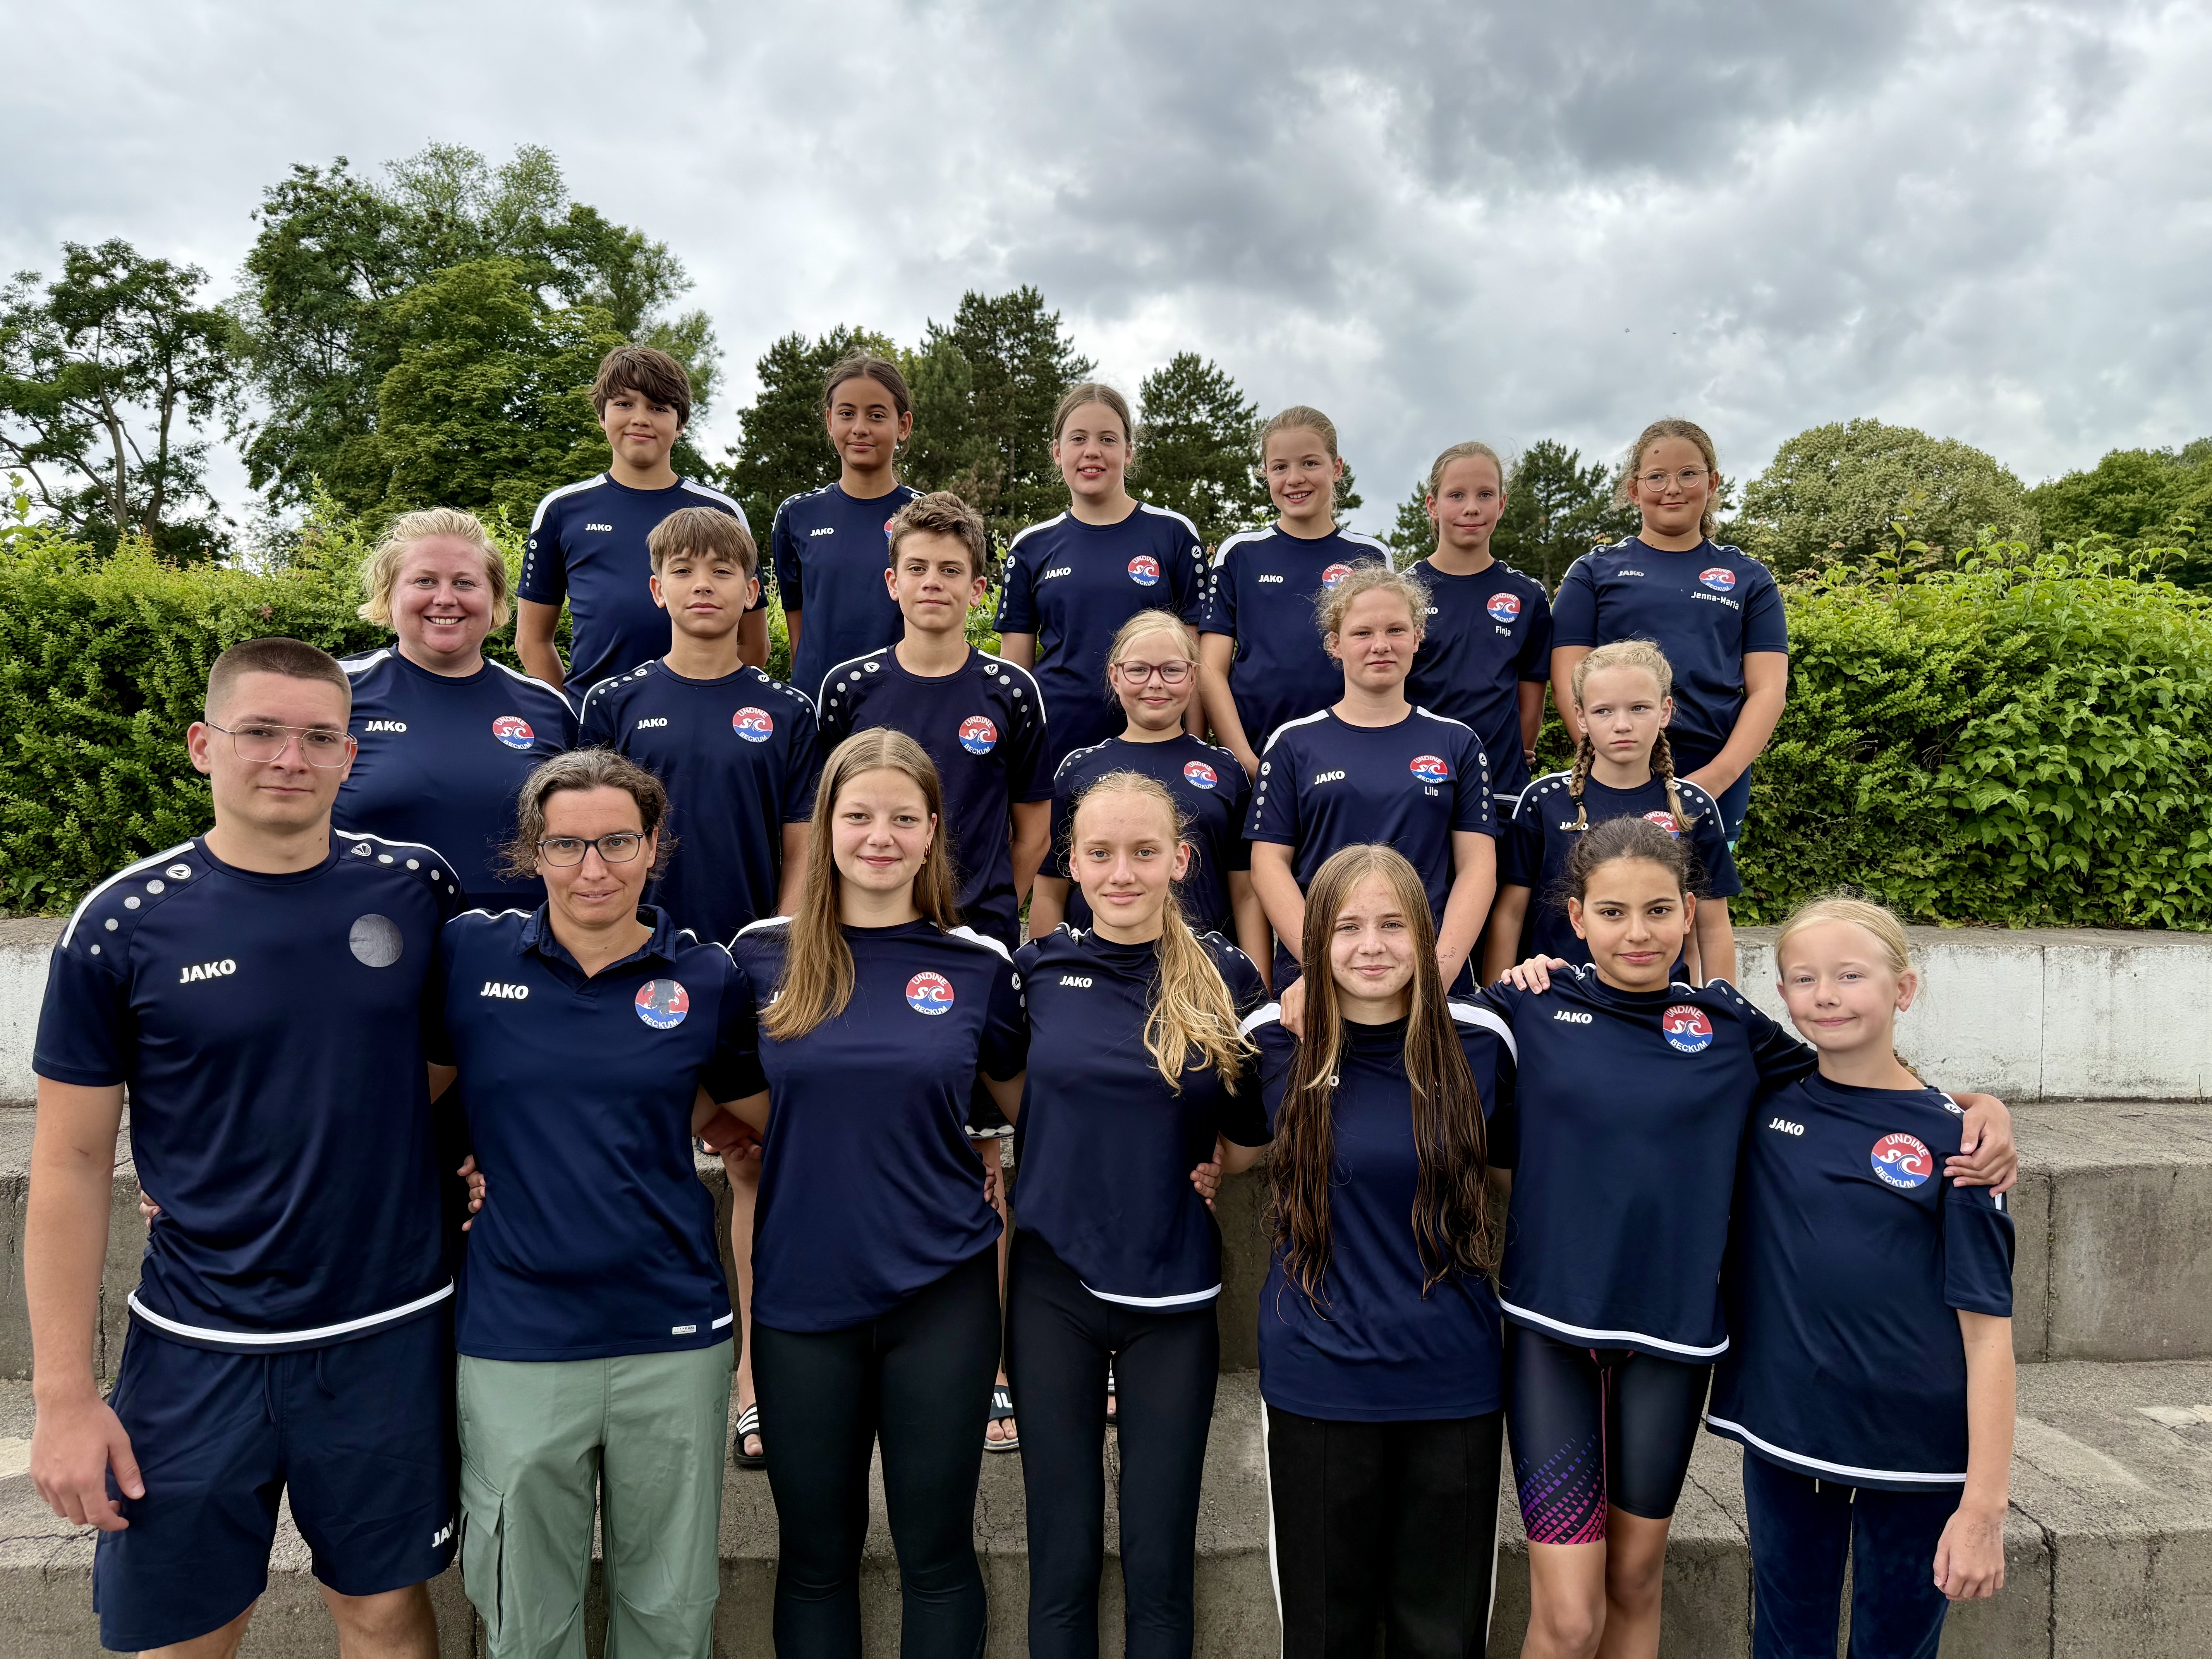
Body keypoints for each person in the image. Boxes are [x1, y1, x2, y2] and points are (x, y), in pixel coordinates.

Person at [1478, 818, 2014, 1659]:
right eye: (1612, 912)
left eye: (1659, 910)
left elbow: (1857, 1081)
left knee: (1636, 1581)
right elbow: (1406, 1035)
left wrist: (1981, 1110)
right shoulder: (1529, 1003)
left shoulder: (1727, 1024)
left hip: (1673, 1343)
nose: (1637, 932)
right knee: (1571, 1617)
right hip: (1553, 1335)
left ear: (1690, 911)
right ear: (1576, 917)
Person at [27, 637, 464, 1658]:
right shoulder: (122, 924)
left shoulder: (417, 889)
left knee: (386, 1615)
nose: (289, 758)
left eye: (319, 737)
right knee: (187, 1633)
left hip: (386, 1328)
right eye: (260, 731)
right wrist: (64, 1397)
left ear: (349, 755)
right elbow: (71, 1163)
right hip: (199, 1340)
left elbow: (455, 1059)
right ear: (202, 745)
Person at [433, 750, 760, 1659]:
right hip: (519, 1337)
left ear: (654, 846)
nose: (593, 869)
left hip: (672, 1334)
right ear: (532, 852)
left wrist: (958, 1155)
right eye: (566, 845)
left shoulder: (707, 977)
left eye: (618, 842)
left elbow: (773, 1120)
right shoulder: (469, 954)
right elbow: (389, 1100)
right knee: (526, 1619)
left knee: (671, 1613)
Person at [709, 730, 1028, 1659]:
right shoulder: (758, 958)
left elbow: (1040, 1110)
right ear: (826, 827)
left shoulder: (979, 964)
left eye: (901, 818)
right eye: (858, 815)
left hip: (943, 1293)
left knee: (938, 1554)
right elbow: (726, 1097)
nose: (879, 836)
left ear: (933, 832)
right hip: (803, 1298)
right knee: (815, 1560)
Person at [1226, 843, 1516, 1658]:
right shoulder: (1270, 1043)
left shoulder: (1484, 1041)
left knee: (1443, 1638)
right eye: (1347, 927)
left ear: (1425, 934)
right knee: (1326, 1634)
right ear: (1313, 939)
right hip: (1318, 1380)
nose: (1371, 945)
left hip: (1453, 1380)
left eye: (1393, 924)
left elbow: (1523, 1173)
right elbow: (1229, 1152)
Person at [577, 503, 821, 1473]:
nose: (705, 585)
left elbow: (802, 852)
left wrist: (778, 957)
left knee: (757, 1168)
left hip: (750, 981)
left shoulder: (787, 711)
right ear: (658, 589)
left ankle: (754, 1383)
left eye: (724, 570)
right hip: (639, 978)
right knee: (633, 1163)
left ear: (752, 591)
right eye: (685, 570)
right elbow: (593, 850)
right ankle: (625, 1384)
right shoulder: (613, 704)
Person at [1704, 896, 2014, 1658]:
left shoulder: (1959, 1144)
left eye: (1850, 975)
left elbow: (1989, 1339)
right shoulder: (1762, 1101)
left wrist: (1983, 1507)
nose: (1826, 995)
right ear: (1782, 994)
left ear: (1902, 989)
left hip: (1918, 1452)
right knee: (1786, 1642)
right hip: (1786, 1434)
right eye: (1804, 978)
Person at [1007, 770, 1267, 1659]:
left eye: (1144, 852)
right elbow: (1002, 1095)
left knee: (1160, 1562)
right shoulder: (1037, 972)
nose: (1123, 872)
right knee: (1063, 1556)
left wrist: (1222, 1163)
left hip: (1174, 1292)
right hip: (1053, 1289)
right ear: (1073, 863)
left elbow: (1253, 1132)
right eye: (1102, 853)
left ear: (1179, 861)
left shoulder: (1227, 977)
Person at [815, 490, 1048, 1448]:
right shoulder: (849, 687)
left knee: (984, 1157)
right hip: (863, 943)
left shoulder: (1011, 692)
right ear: (892, 581)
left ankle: (987, 1364)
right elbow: (833, 817)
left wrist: (980, 909)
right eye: (918, 568)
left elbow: (1031, 825)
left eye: (953, 570)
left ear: (979, 587)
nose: (934, 584)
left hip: (972, 946)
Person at [1247, 563, 1496, 993]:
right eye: (1363, 633)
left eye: (1396, 630)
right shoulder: (1293, 743)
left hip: (1430, 983)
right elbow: (1268, 867)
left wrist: (1439, 972)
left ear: (1417, 637)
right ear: (1335, 644)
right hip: (1316, 984)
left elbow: (1478, 868)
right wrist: (1324, 969)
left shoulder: (1458, 742)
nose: (1381, 645)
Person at [1549, 419, 1786, 844]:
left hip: (1715, 776)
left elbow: (1768, 691)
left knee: (1704, 887)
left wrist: (1715, 778)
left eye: (1688, 474)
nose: (1673, 488)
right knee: (1614, 884)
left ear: (1712, 483)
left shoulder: (1750, 579)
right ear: (1634, 490)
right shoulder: (1592, 573)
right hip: (1616, 774)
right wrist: (1615, 767)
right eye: (1656, 477)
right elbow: (1570, 683)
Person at [338, 507, 577, 912]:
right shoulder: (337, 691)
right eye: (425, 581)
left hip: (522, 943)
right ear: (390, 593)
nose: (446, 599)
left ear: (494, 597)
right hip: (374, 939)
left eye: (465, 583)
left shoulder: (548, 706)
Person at [1029, 610, 1269, 975]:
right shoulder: (1079, 769)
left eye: (1171, 670)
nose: (1155, 683)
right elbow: (1050, 890)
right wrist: (1045, 978)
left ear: (1193, 677)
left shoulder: (1227, 770)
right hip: (1096, 974)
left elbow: (1246, 893)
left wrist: (1258, 988)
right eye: (1139, 670)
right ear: (1115, 676)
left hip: (1202, 975)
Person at [1485, 641, 1737, 987]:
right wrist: (1496, 1003)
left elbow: (1712, 928)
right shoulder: (1543, 800)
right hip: (1554, 997)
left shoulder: (1693, 806)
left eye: (1639, 708)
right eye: (1603, 711)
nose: (1622, 725)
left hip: (1658, 1001)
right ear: (1581, 716)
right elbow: (1510, 915)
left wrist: (1723, 1008)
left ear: (1665, 711)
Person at [517, 345, 761, 696]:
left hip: (699, 716)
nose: (641, 419)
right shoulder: (561, 510)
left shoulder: (724, 512)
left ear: (681, 424)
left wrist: (715, 706)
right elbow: (533, 640)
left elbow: (753, 643)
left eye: (658, 407)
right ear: (602, 416)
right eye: (624, 404)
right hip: (593, 724)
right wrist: (569, 712)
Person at [995, 383, 1209, 772]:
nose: (1092, 451)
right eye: (1078, 439)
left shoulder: (1174, 534)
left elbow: (1195, 661)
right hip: (1055, 746)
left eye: (1107, 439)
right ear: (1057, 452)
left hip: (1157, 751)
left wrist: (1193, 748)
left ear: (1129, 452)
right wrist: (1014, 766)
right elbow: (1016, 675)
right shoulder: (1031, 546)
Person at [1198, 405, 1394, 780]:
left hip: (1353, 761)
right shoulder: (1240, 553)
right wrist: (1245, 759)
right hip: (1255, 762)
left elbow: (1388, 661)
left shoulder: (1370, 556)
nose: (1295, 479)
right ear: (1265, 473)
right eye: (1280, 467)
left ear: (1337, 468)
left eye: (1310, 463)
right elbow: (1210, 670)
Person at [1401, 442, 1553, 812]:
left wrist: (1516, 751)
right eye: (1457, 495)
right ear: (1432, 505)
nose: (1471, 507)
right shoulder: (1401, 592)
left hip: (1500, 787)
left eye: (1485, 495)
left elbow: (1531, 694)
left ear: (1501, 504)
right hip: (1415, 783)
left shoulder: (1528, 596)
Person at [774, 351, 923, 703]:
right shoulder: (797, 514)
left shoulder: (925, 515)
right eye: (847, 414)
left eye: (876, 415)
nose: (860, 428)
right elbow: (798, 622)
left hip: (902, 702)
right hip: (818, 704)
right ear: (829, 421)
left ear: (903, 426)